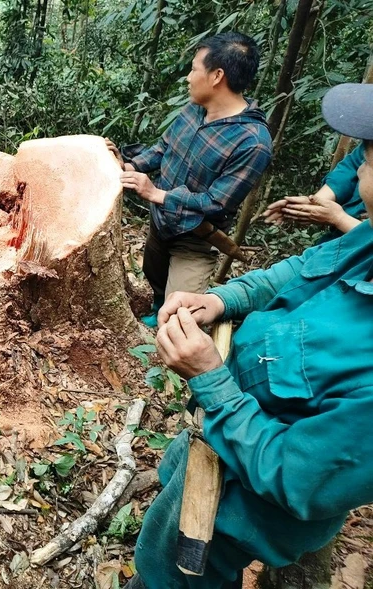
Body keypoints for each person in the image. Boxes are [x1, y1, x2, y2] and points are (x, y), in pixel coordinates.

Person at [124, 83, 373, 589]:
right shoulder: (367, 239)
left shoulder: (250, 139)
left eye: (368, 156)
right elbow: (302, 270)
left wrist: (211, 379)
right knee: (169, 506)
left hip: (243, 504)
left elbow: (295, 477)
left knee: (170, 572)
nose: (358, 168)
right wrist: (220, 300)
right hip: (215, 433)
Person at [107, 32, 273, 327]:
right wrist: (128, 165)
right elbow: (162, 149)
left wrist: (158, 194)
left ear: (216, 76)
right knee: (154, 274)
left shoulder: (253, 142)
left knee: (178, 316)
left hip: (195, 238)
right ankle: (156, 305)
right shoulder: (194, 109)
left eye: (194, 68)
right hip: (162, 223)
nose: (188, 77)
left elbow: (217, 202)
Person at [262, 143, 366, 243]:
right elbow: (351, 166)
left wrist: (339, 219)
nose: (362, 170)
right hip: (333, 243)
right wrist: (315, 203)